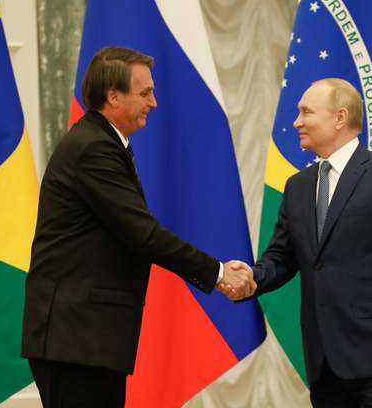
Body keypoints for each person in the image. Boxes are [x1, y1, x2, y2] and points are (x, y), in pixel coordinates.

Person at [21, 46, 255, 408]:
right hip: (77, 339)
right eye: (145, 92)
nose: (155, 102)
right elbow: (142, 234)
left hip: (86, 338)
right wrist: (219, 272)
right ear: (113, 96)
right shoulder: (93, 149)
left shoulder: (104, 143)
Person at [222, 78, 372, 407]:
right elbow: (281, 257)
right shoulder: (298, 186)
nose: (296, 122)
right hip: (325, 364)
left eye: (306, 112)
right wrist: (251, 279)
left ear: (339, 117)